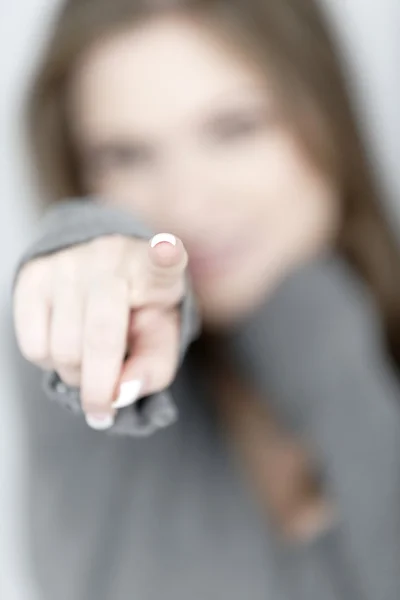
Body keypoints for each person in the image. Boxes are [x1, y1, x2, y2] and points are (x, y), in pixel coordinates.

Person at [12, 0, 400, 598]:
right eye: (125, 155)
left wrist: (309, 316)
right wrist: (87, 256)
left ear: (325, 112)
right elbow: (84, 251)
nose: (188, 206)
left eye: (234, 128)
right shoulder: (97, 387)